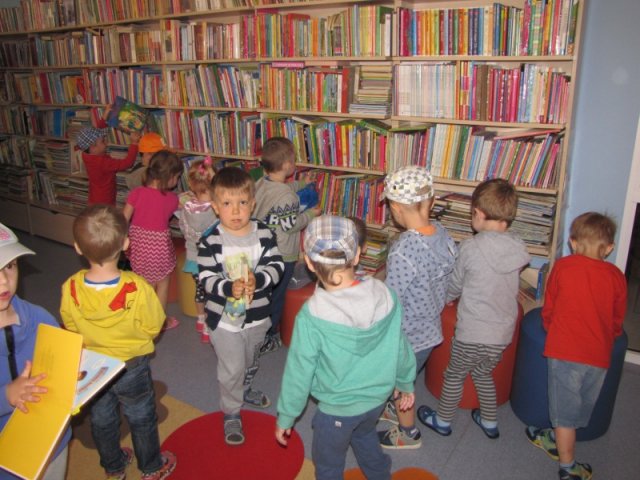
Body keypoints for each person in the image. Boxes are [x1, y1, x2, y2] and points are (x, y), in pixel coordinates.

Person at [275, 215, 416, 480]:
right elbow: (400, 345)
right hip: (377, 400)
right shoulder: (385, 295)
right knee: (364, 435)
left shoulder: (312, 315)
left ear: (308, 262)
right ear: (357, 255)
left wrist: (287, 415)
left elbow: (299, 371)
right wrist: (405, 381)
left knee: (329, 464)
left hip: (336, 411)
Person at [59, 205, 176, 480]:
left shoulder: (71, 287)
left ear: (77, 247)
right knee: (141, 415)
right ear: (125, 244)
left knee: (102, 417)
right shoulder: (138, 287)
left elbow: (70, 324)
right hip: (131, 365)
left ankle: (113, 467)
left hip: (94, 367)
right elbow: (153, 325)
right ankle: (151, 467)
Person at [417, 178, 530, 440]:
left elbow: (456, 283)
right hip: (502, 335)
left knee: (454, 375)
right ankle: (489, 421)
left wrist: (446, 298)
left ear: (478, 213)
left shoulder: (470, 248)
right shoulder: (518, 247)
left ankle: (443, 420)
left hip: (472, 333)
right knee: (482, 373)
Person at [525, 212, 626, 480]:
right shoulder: (617, 276)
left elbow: (550, 305)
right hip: (599, 355)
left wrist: (550, 326)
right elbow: (617, 318)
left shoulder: (563, 267)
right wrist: (611, 336)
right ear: (609, 247)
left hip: (565, 352)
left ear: (573, 242)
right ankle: (557, 437)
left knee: (564, 413)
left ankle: (567, 466)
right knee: (581, 405)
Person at [197, 166, 284, 445]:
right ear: (215, 207)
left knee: (249, 359)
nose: (236, 211)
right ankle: (232, 410)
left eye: (242, 202)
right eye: (227, 204)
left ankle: (244, 388)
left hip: (258, 316)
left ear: (253, 203)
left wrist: (259, 279)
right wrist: (227, 287)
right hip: (224, 321)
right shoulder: (210, 241)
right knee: (232, 367)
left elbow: (277, 265)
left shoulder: (264, 233)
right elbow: (206, 278)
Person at [377, 165, 457, 450]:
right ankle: (395, 408)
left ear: (396, 208)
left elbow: (391, 298)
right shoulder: (443, 234)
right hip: (430, 328)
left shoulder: (403, 249)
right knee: (405, 378)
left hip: (406, 335)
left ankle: (407, 433)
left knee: (403, 384)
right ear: (431, 202)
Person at [0, 223, 70, 480]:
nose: (4, 280)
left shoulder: (39, 317)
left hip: (52, 443)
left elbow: (62, 363)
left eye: (10, 265)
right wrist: (6, 395)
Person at [253, 137, 321, 354]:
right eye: (293, 160)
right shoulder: (287, 197)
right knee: (278, 296)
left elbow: (282, 189)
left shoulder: (262, 183)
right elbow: (291, 225)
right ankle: (269, 335)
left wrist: (300, 183)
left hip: (262, 249)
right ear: (286, 165)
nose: (295, 163)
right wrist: (311, 214)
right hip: (282, 254)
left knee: (265, 292)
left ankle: (257, 327)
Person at [123, 150, 184, 331]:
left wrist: (122, 240)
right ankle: (159, 321)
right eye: (177, 177)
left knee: (143, 285)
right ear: (169, 177)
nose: (176, 182)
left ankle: (141, 318)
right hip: (159, 250)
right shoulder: (172, 199)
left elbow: (123, 219)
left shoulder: (136, 193)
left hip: (138, 248)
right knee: (162, 285)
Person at [178, 157, 216, 342]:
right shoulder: (215, 209)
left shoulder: (187, 206)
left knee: (200, 291)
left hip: (193, 259)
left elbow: (182, 228)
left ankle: (201, 320)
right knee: (212, 294)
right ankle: (209, 328)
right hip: (210, 261)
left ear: (191, 184)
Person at [76, 107, 141, 205]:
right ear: (93, 147)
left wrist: (105, 116)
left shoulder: (86, 154)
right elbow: (128, 163)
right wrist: (134, 143)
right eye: (103, 141)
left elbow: (98, 131)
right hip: (105, 200)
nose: (106, 143)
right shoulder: (102, 163)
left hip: (95, 197)